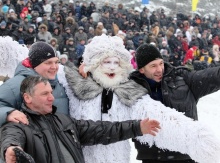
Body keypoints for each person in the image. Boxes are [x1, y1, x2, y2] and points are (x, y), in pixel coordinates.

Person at [58, 34, 220, 163]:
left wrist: (199, 139)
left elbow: (160, 117)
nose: (112, 66)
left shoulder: (129, 90)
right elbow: (46, 73)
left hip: (176, 157)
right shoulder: (73, 83)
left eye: (116, 62)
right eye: (107, 62)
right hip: (83, 157)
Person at [0, 75, 160, 163]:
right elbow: (11, 139)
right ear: (27, 98)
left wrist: (137, 127)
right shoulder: (19, 124)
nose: (51, 98)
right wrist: (12, 150)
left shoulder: (64, 121)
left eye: (51, 93)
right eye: (44, 94)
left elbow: (102, 130)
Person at [130, 43, 220, 163]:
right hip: (152, 158)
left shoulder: (183, 79)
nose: (159, 70)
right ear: (141, 69)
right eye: (153, 66)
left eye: (161, 63)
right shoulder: (130, 89)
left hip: (185, 156)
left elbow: (212, 77)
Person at [0, 42, 69, 127]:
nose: (54, 67)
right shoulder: (16, 85)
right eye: (48, 63)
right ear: (35, 65)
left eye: (56, 62)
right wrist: (7, 113)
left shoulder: (61, 82)